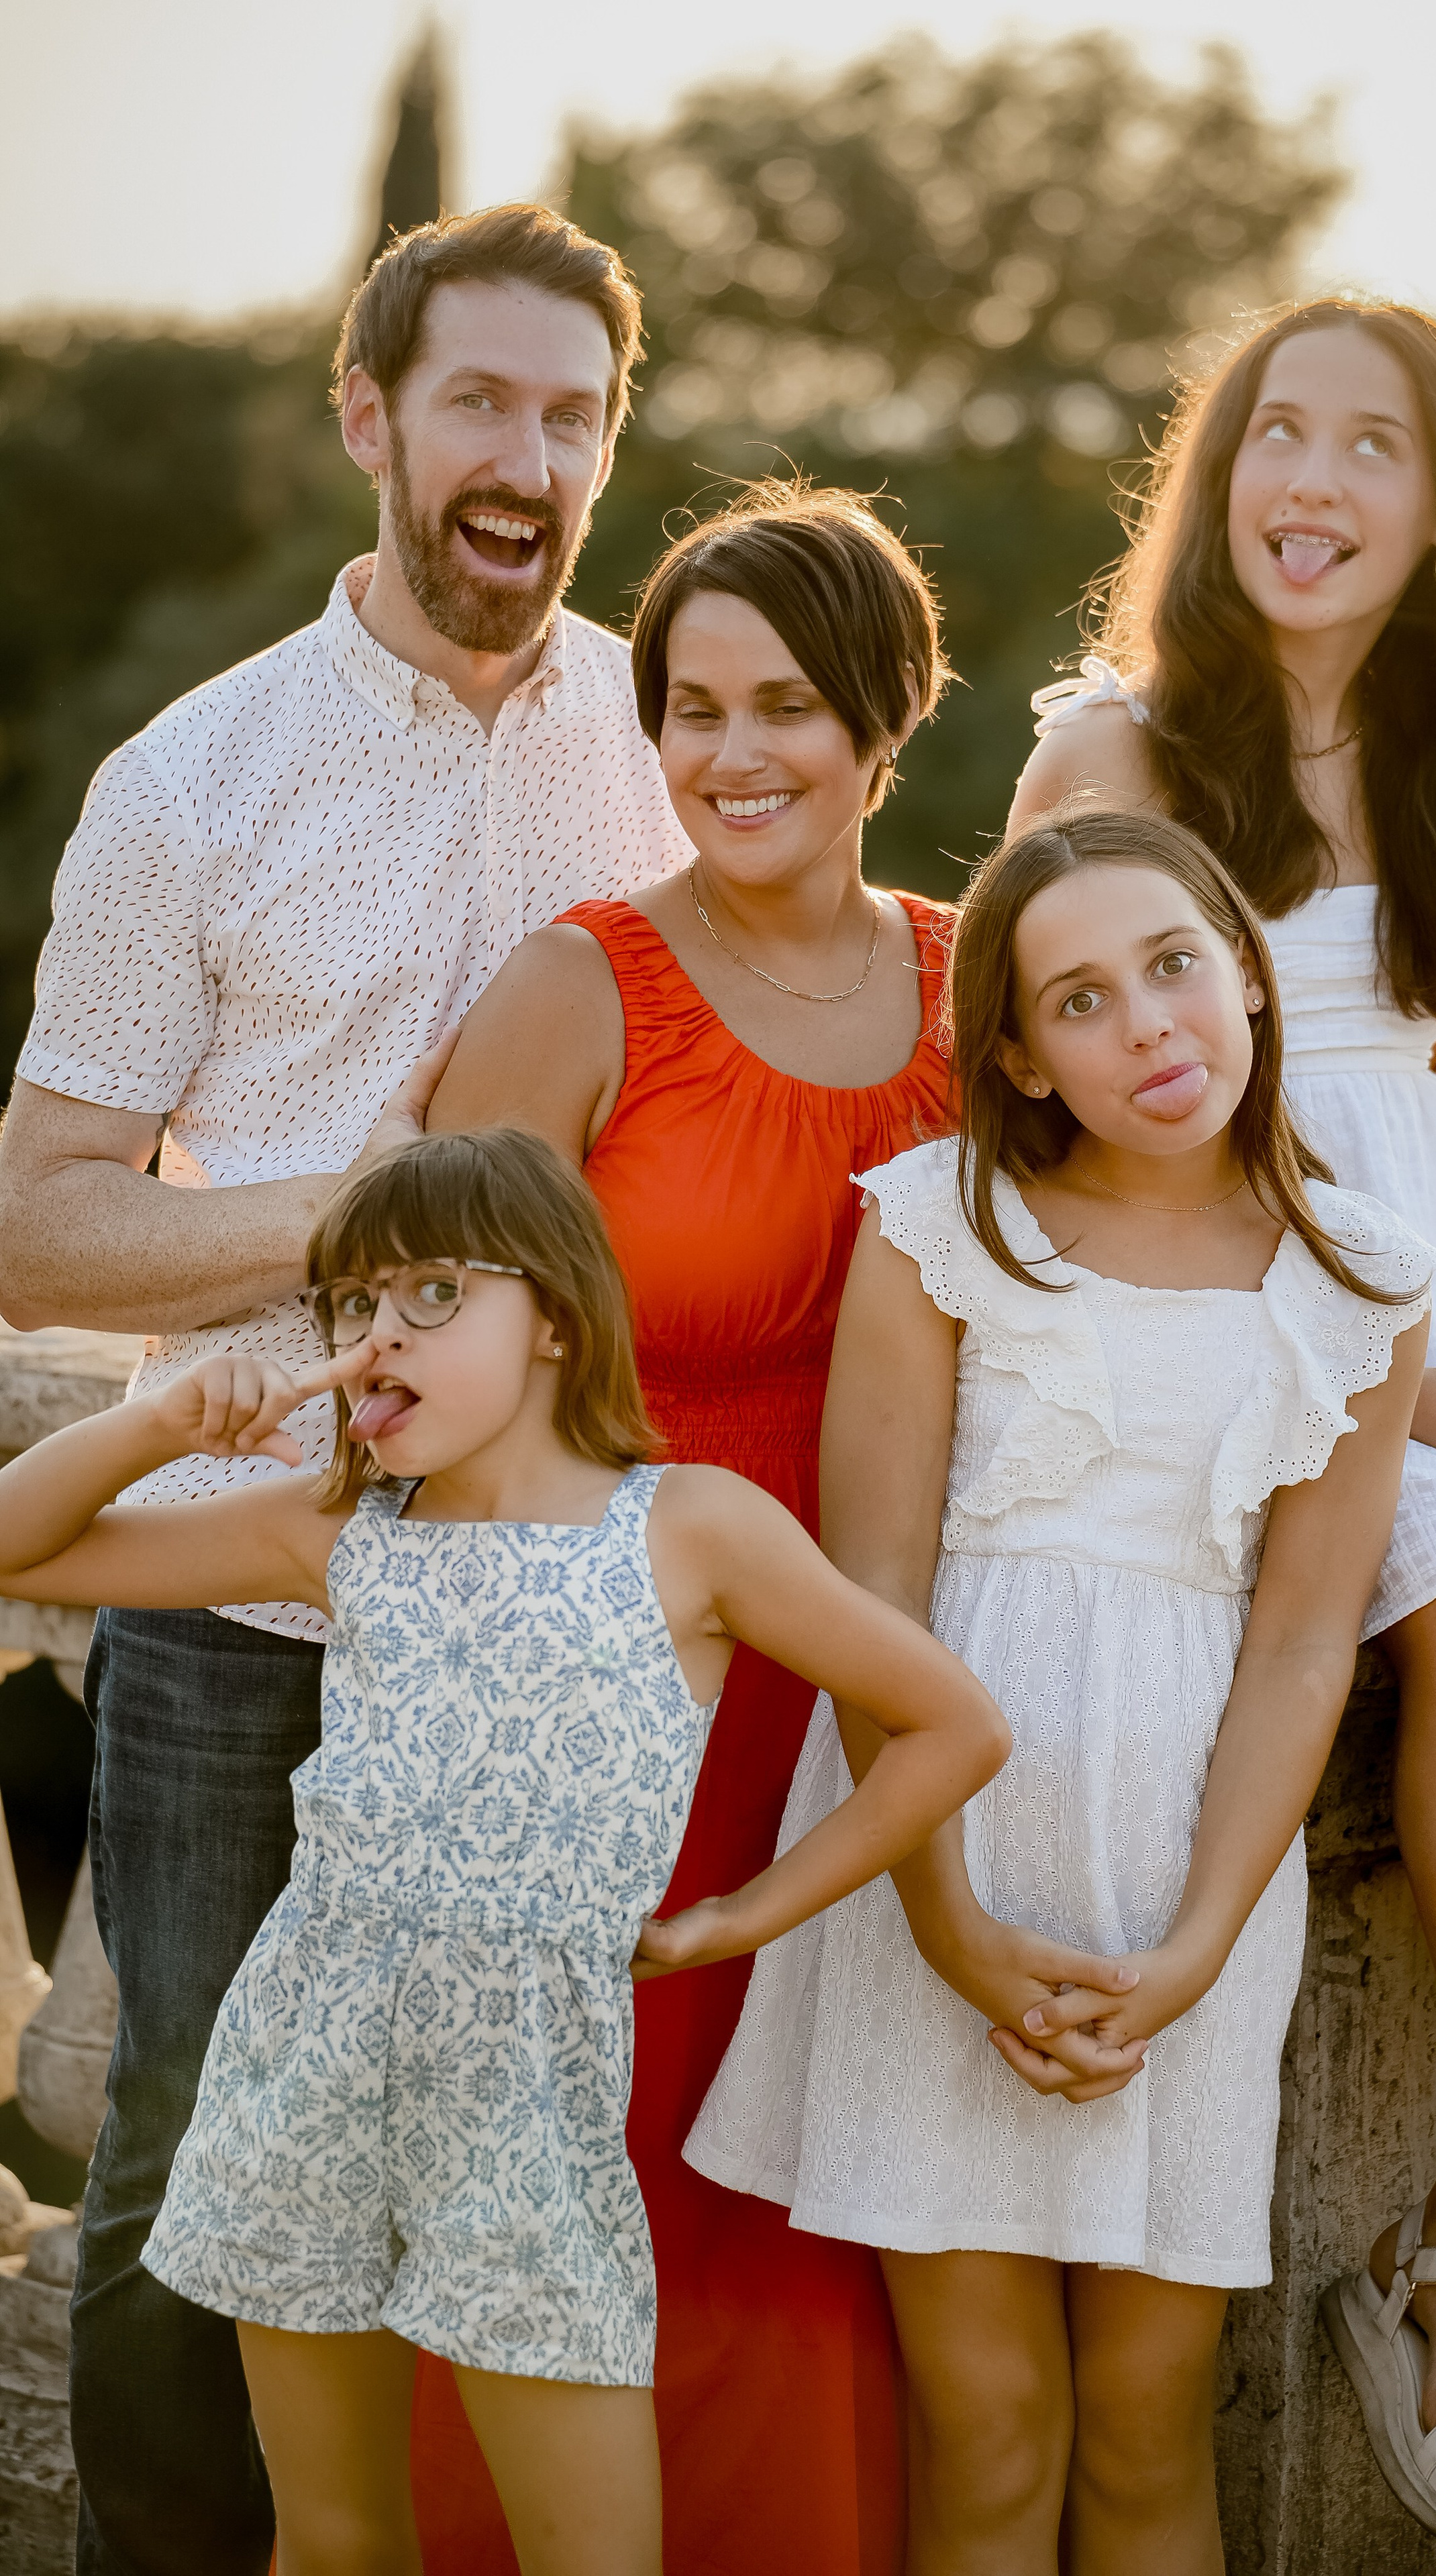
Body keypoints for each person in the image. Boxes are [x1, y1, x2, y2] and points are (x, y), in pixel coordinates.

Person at [0, 203, 687, 2575]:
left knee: (539, 2156)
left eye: (574, 414)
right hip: (253, 1604)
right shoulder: (191, 782)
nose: (529, 454)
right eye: (479, 400)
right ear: (370, 417)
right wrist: (372, 1232)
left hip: (555, 1609)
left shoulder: (677, 741)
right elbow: (39, 1216)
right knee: (190, 2138)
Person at [1011, 297, 1436, 2569]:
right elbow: (1086, 1144)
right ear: (1219, 489)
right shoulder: (1122, 753)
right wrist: (1402, 1374)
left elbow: (1416, 1096)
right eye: (1274, 436)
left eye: (1371, 449)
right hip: (1251, 1331)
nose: (1311, 480)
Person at [425, 480, 1133, 2575]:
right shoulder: (580, 989)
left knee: (821, 2216)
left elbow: (1141, 1257)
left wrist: (1413, 1377)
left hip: (884, 1680)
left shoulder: (973, 988)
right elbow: (436, 1354)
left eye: (788, 707)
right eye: (692, 707)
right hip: (614, 1694)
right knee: (585, 2200)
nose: (734, 754)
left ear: (887, 726)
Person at [0, 1126, 1011, 2576]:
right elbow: (17, 1549)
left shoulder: (691, 1530)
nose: (373, 1336)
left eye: (428, 1296)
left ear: (550, 1314)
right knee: (336, 2541)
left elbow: (952, 1727)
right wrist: (154, 1429)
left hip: (526, 2108)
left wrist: (743, 1917)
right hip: (306, 2069)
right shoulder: (336, 1528)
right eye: (352, 1305)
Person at [686, 806, 1431, 2573]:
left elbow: (1304, 1642)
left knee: (1151, 2432)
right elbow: (868, 1593)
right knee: (993, 2427)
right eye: (1080, 1000)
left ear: (1245, 973)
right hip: (927, 1872)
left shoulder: (1363, 1280)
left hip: (1188, 1889)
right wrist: (939, 1918)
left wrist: (1189, 1953)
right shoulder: (948, 1227)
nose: (1149, 1026)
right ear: (1018, 1050)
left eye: (1175, 964)